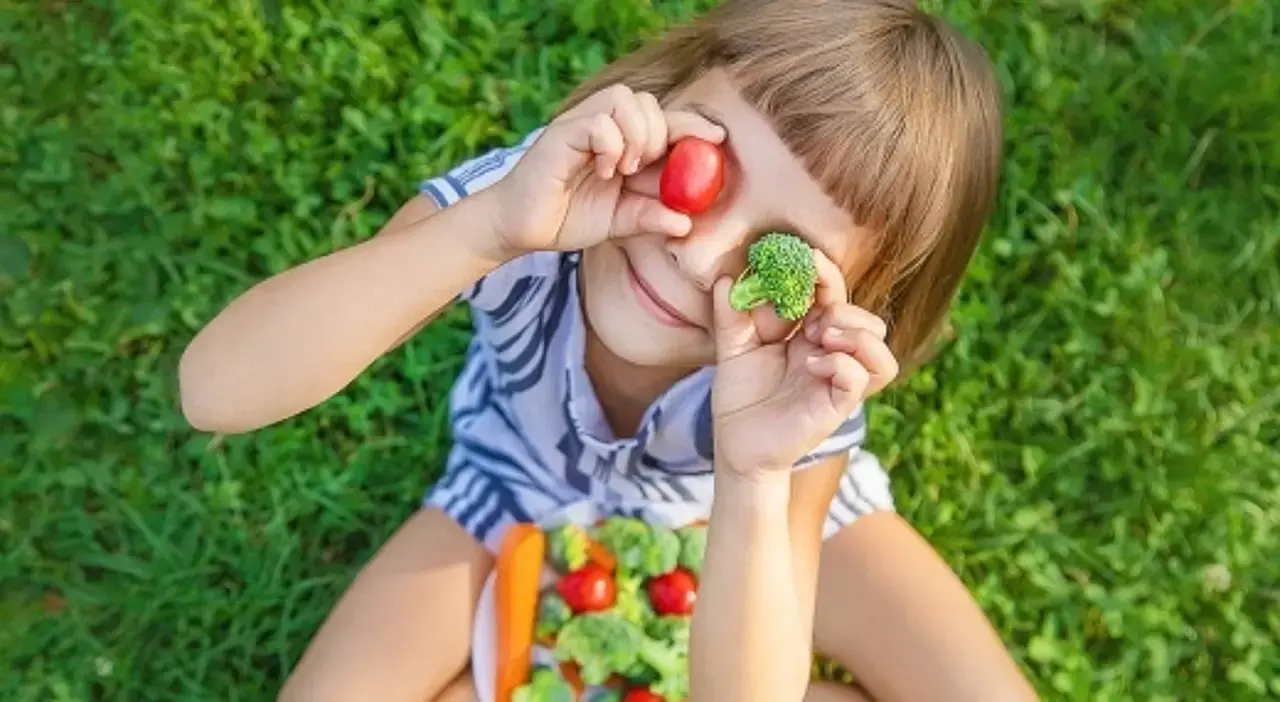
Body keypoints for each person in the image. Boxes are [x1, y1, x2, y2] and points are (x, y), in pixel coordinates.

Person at [178, 0, 1039, 700]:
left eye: (780, 260)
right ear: (655, 96)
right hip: (513, 480)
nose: (696, 254)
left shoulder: (797, 383)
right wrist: (482, 233)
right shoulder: (529, 204)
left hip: (740, 516)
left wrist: (751, 476)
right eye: (703, 162)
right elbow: (214, 391)